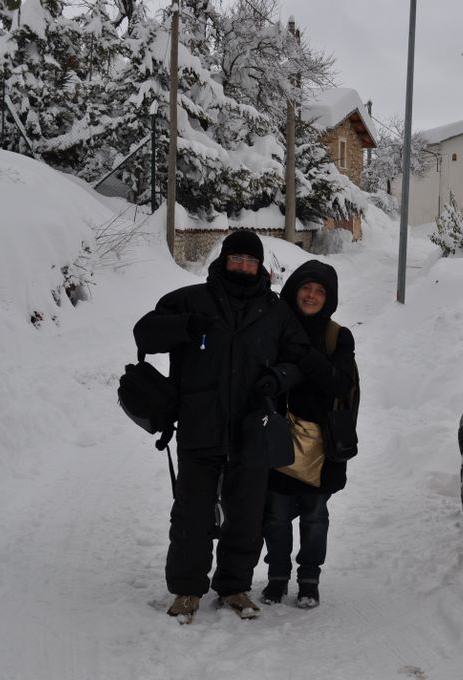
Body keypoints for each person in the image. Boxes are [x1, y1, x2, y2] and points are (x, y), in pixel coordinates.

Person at [133, 230, 309, 622]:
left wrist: (277, 377)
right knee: (192, 514)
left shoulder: (275, 311)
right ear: (224, 260)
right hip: (200, 424)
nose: (244, 267)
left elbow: (298, 359)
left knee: (247, 515)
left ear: (260, 267)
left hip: (252, 428)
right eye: (237, 259)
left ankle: (234, 587)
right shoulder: (190, 300)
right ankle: (186, 589)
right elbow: (144, 333)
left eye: (251, 261)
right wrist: (184, 326)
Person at [260, 260, 357, 609]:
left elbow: (339, 383)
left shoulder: (337, 336)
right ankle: (277, 577)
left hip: (322, 442)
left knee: (315, 515)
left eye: (320, 291)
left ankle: (309, 579)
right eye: (306, 288)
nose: (312, 296)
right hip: (279, 438)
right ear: (294, 290)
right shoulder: (275, 328)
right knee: (276, 515)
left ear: (328, 298)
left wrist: (303, 357)